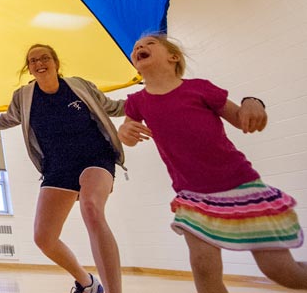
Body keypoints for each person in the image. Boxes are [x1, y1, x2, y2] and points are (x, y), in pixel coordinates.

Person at [118, 34, 306, 292]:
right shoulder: (136, 102)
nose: (140, 47)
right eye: (136, 47)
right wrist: (124, 133)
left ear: (174, 57)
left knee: (282, 272)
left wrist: (253, 102)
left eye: (150, 43)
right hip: (193, 197)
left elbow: (241, 119)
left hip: (241, 186)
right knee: (204, 269)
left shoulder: (200, 88)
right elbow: (128, 130)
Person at [0, 44, 125, 293]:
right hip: (57, 166)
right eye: (33, 60)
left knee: (91, 208)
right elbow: (9, 118)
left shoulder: (78, 86)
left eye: (44, 58)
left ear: (56, 62)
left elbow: (110, 107)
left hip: (95, 157)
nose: (39, 63)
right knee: (43, 238)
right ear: (29, 68)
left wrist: (144, 102)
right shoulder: (23, 96)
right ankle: (87, 283)